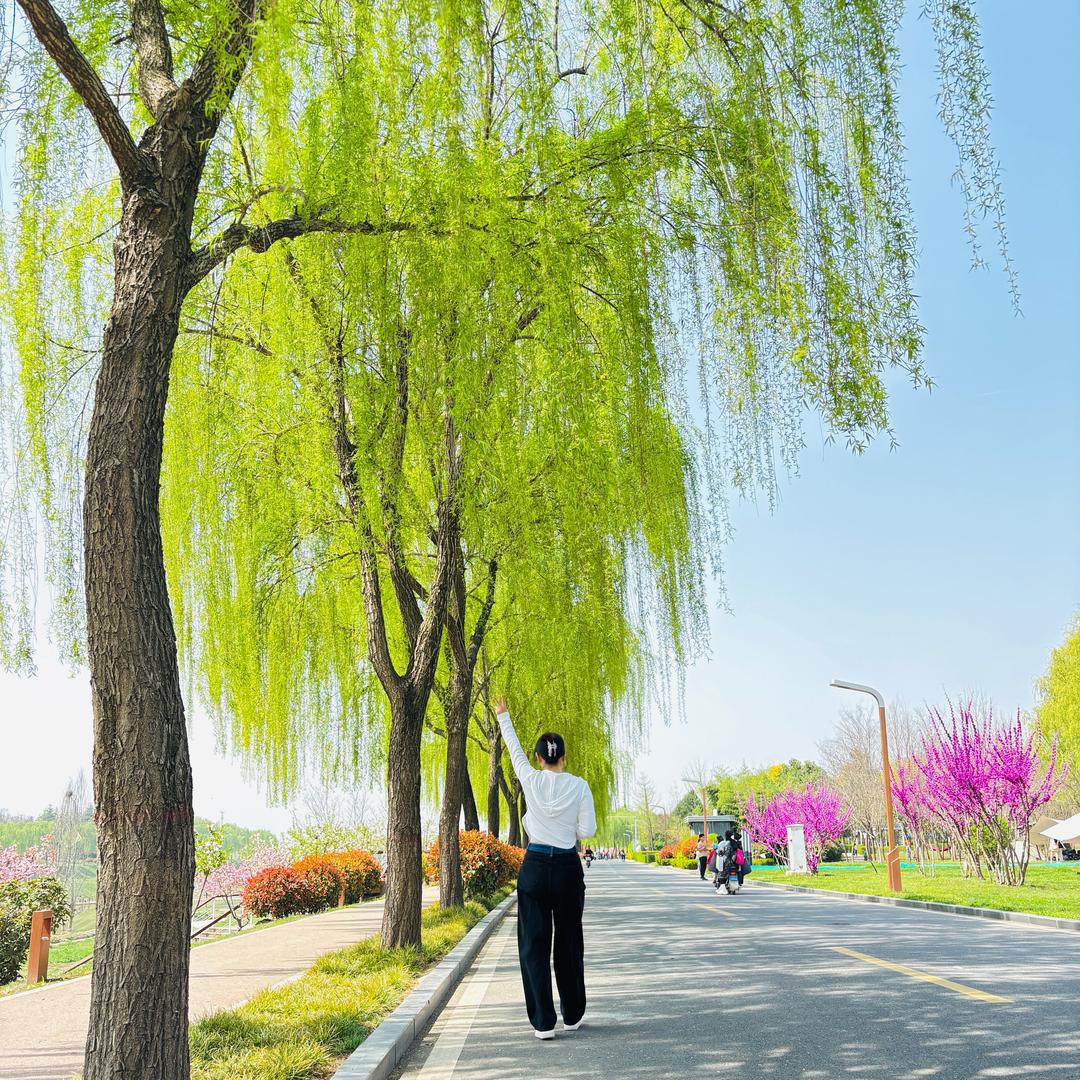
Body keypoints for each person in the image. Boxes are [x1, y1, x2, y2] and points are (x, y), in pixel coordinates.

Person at [495, 695, 596, 1040]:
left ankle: (542, 1023)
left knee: (534, 945)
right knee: (569, 942)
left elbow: (513, 750)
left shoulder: (530, 777)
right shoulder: (580, 786)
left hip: (535, 867)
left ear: (539, 758)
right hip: (568, 868)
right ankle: (573, 1015)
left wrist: (504, 716)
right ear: (563, 758)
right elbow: (587, 832)